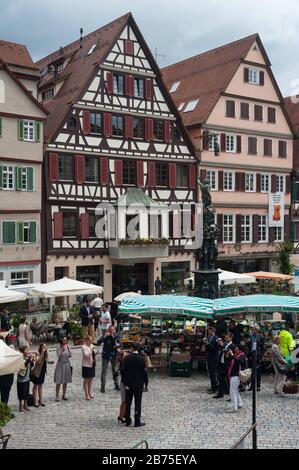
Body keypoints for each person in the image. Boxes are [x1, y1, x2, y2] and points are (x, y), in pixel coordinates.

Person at [121, 342, 148, 427]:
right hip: (138, 385)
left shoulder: (127, 358)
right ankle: (137, 421)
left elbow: (123, 372)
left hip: (129, 384)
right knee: (137, 403)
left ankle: (128, 420)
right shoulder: (142, 359)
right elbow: (144, 373)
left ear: (131, 349)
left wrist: (125, 383)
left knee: (128, 403)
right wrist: (146, 383)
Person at [97, 325, 120, 393]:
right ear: (108, 330)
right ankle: (102, 387)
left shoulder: (116, 336)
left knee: (114, 370)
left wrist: (114, 338)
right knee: (104, 371)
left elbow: (119, 344)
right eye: (110, 330)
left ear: (114, 330)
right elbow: (98, 343)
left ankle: (116, 385)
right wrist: (104, 336)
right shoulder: (105, 336)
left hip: (113, 355)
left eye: (112, 330)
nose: (111, 332)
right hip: (106, 355)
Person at [31, 343, 54, 407]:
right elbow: (38, 362)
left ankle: (41, 400)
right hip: (37, 372)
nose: (44, 348)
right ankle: (35, 400)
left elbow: (45, 361)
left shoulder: (46, 354)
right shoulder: (37, 353)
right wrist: (42, 354)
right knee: (35, 386)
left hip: (42, 372)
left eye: (45, 347)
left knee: (40, 386)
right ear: (40, 348)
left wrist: (50, 362)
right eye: (43, 347)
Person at [213, 333, 235, 399]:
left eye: (227, 337)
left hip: (227, 364)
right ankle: (220, 393)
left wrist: (228, 355)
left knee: (228, 380)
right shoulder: (224, 344)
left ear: (231, 338)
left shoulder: (233, 346)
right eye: (225, 337)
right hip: (221, 363)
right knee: (220, 379)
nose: (226, 339)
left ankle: (231, 395)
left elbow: (232, 356)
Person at [226, 345, 246, 413]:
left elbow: (237, 361)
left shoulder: (241, 356)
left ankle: (234, 407)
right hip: (235, 375)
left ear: (240, 350)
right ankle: (239, 403)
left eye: (237, 349)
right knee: (235, 390)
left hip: (236, 376)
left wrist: (231, 354)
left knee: (232, 392)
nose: (235, 350)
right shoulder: (239, 355)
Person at [247, 324, 265, 392]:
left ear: (257, 330)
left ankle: (258, 385)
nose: (252, 330)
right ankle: (252, 385)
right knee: (251, 370)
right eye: (252, 329)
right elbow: (248, 345)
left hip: (257, 355)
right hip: (251, 354)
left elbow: (263, 348)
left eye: (253, 329)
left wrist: (260, 355)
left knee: (257, 370)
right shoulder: (250, 336)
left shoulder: (260, 337)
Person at [17, 346, 35, 412]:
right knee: (21, 393)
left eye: (27, 350)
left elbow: (31, 366)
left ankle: (25, 405)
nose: (27, 351)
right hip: (21, 379)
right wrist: (29, 359)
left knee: (26, 393)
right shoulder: (20, 358)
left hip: (27, 378)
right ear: (22, 352)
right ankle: (20, 406)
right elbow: (24, 366)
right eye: (25, 350)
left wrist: (32, 361)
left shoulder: (27, 358)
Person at [54, 336, 72, 402]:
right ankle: (57, 396)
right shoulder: (59, 347)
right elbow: (58, 356)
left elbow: (70, 355)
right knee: (58, 381)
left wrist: (69, 353)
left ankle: (64, 395)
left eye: (66, 340)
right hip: (60, 364)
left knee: (65, 381)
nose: (65, 341)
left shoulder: (68, 346)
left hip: (66, 364)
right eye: (64, 340)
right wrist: (63, 350)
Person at [81, 335, 99, 400]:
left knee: (91, 379)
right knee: (86, 379)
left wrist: (96, 353)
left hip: (92, 364)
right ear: (86, 340)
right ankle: (86, 394)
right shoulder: (84, 347)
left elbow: (93, 355)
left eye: (92, 340)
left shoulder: (91, 346)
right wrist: (91, 350)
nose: (91, 341)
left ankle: (89, 392)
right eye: (90, 340)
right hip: (86, 365)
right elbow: (86, 356)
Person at [203, 327, 219, 394]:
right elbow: (207, 347)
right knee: (210, 373)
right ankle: (212, 387)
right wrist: (205, 343)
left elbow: (215, 348)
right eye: (208, 332)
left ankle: (214, 388)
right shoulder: (208, 337)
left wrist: (208, 343)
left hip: (214, 357)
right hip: (209, 357)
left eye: (210, 332)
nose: (209, 333)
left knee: (213, 373)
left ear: (213, 331)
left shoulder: (216, 338)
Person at [0, 336, 14, 405]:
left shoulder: (10, 351)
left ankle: (3, 410)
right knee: (5, 397)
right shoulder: (9, 351)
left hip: (7, 379)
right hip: (6, 378)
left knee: (5, 397)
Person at [118, 350, 128, 424]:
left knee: (125, 401)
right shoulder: (123, 364)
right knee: (124, 401)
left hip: (123, 383)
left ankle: (123, 414)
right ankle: (120, 416)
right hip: (124, 383)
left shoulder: (123, 363)